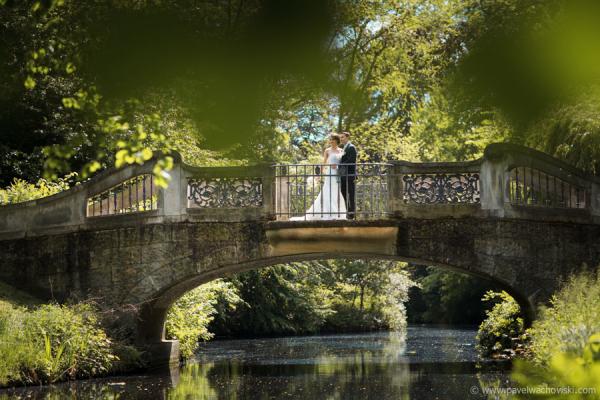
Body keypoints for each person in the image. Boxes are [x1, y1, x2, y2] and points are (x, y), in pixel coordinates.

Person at [290, 134, 347, 220]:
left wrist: (338, 167)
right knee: (327, 191)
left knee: (336, 191)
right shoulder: (327, 151)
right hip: (330, 173)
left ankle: (337, 212)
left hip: (337, 174)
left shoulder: (341, 151)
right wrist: (319, 175)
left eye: (333, 140)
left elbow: (343, 163)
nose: (331, 141)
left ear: (336, 140)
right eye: (330, 140)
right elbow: (324, 164)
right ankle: (327, 212)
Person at [339, 131, 357, 219]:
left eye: (342, 137)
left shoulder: (351, 147)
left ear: (347, 137)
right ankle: (346, 212)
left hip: (350, 174)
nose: (341, 139)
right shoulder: (344, 148)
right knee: (344, 193)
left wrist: (340, 165)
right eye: (340, 137)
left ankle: (352, 213)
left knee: (351, 193)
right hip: (343, 175)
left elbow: (351, 160)